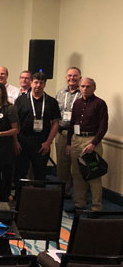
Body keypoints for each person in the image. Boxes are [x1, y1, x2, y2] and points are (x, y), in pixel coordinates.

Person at [66, 77, 108, 212]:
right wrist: (68, 143)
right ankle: (79, 203)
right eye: (82, 86)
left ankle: (96, 207)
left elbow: (103, 126)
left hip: (91, 140)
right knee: (76, 173)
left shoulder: (100, 103)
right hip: (76, 140)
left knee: (93, 174)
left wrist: (94, 143)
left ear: (94, 88)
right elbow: (72, 124)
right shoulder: (77, 103)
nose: (85, 89)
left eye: (88, 86)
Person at [14, 72, 60, 182]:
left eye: (41, 83)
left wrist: (48, 143)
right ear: (31, 83)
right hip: (23, 140)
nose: (38, 85)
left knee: (40, 173)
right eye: (36, 82)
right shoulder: (21, 100)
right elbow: (15, 123)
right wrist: (15, 141)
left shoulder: (51, 102)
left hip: (42, 142)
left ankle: (38, 197)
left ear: (45, 84)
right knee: (20, 172)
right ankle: (19, 197)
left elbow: (55, 123)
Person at [55, 67, 81, 197]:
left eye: (75, 76)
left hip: (77, 135)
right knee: (62, 165)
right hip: (62, 133)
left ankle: (78, 194)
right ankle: (63, 191)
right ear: (66, 77)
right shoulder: (60, 93)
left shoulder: (83, 93)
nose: (72, 78)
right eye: (69, 76)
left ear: (79, 78)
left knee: (77, 166)